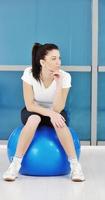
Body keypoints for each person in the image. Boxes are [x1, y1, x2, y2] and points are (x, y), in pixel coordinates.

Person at [3, 43, 85, 182]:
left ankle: (75, 167)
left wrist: (58, 84)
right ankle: (15, 165)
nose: (58, 62)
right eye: (53, 59)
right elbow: (29, 105)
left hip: (55, 110)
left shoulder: (65, 76)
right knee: (34, 119)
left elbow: (58, 108)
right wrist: (49, 113)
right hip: (34, 110)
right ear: (42, 62)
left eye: (59, 58)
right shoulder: (29, 73)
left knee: (58, 122)